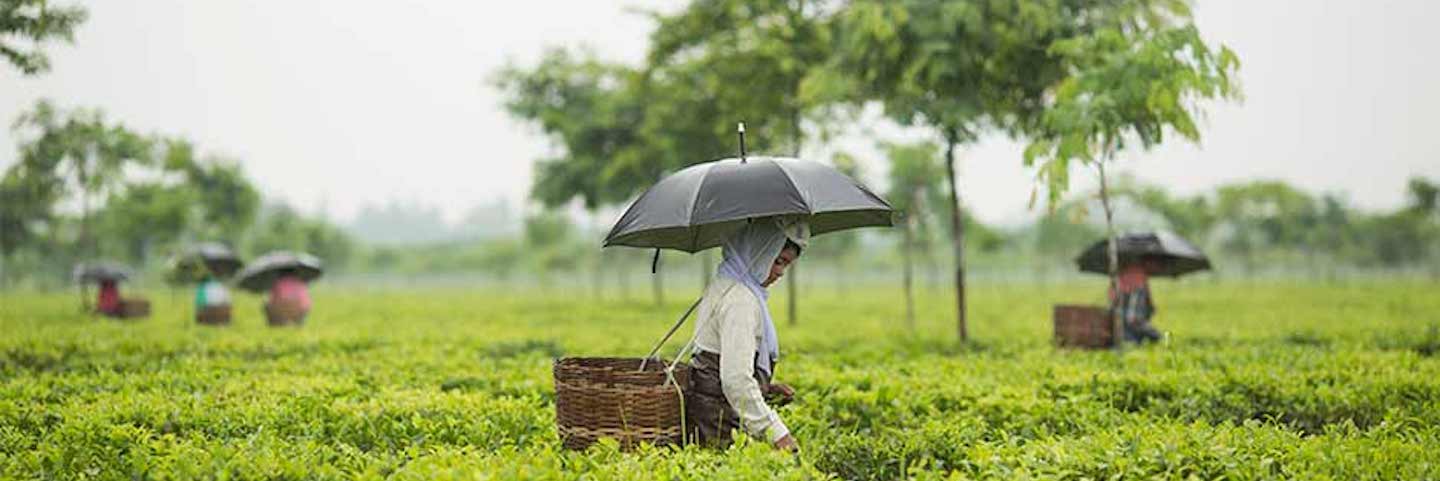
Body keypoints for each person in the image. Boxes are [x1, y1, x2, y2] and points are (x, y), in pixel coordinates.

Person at [685, 216, 808, 451]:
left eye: (786, 265)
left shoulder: (727, 283)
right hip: (719, 422)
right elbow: (735, 380)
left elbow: (724, 362)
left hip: (712, 412)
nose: (780, 273)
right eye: (778, 261)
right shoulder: (740, 300)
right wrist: (777, 433)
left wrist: (766, 389)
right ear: (759, 251)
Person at [1111, 260, 1163, 344]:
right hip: (1128, 323)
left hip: (1125, 322)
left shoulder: (1126, 275)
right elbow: (1132, 318)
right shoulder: (1138, 277)